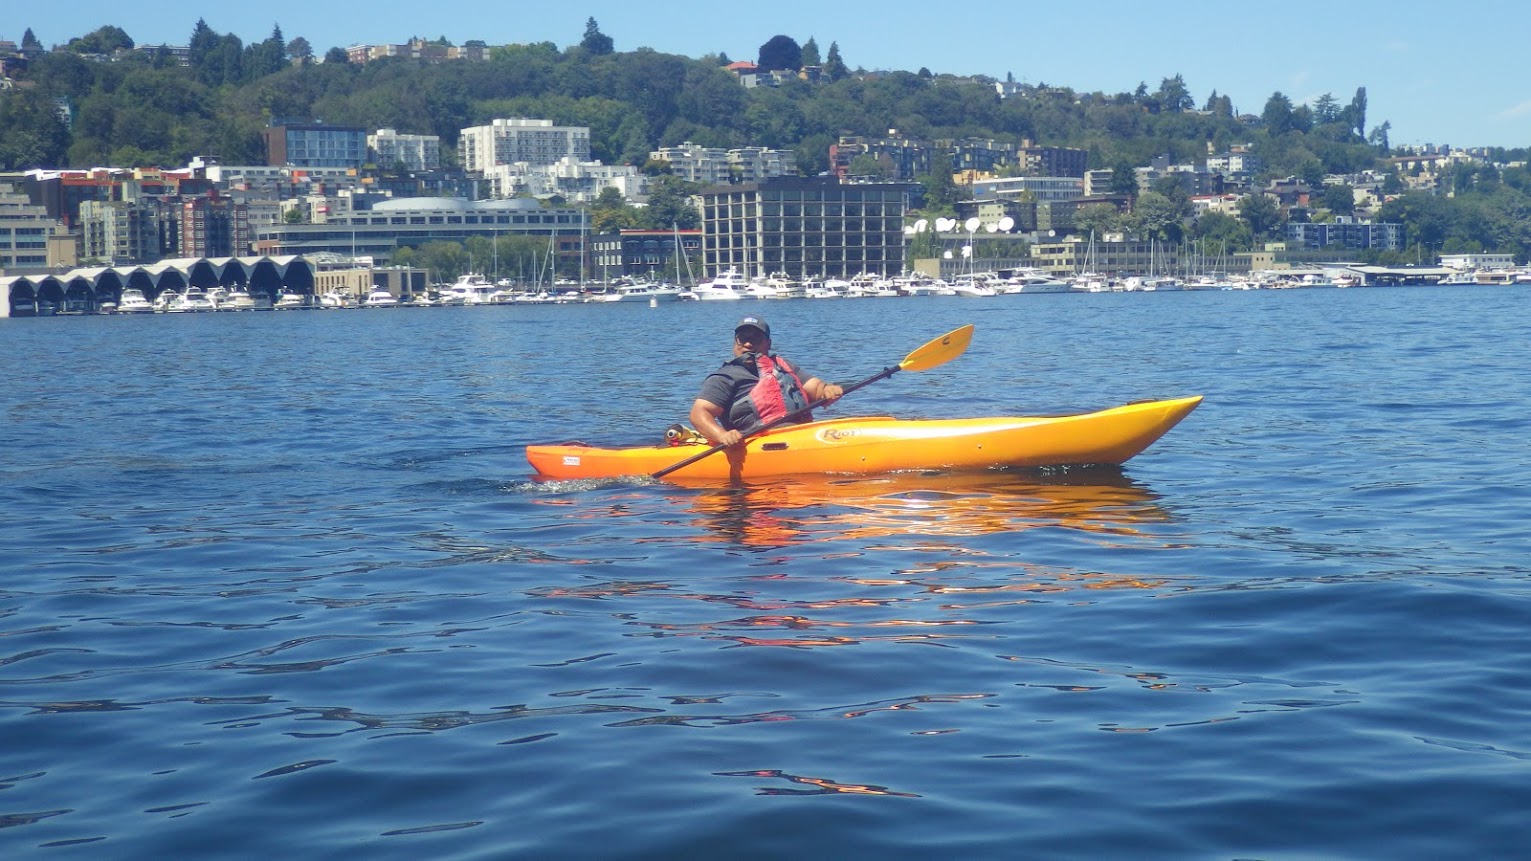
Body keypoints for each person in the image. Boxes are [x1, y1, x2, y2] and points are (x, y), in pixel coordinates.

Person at [690, 315, 844, 447]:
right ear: (735, 342)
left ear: (768, 344)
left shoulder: (784, 367)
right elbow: (699, 414)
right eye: (742, 338)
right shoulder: (725, 377)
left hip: (801, 435)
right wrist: (722, 436)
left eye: (756, 339)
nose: (748, 344)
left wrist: (828, 389)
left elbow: (816, 388)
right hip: (757, 444)